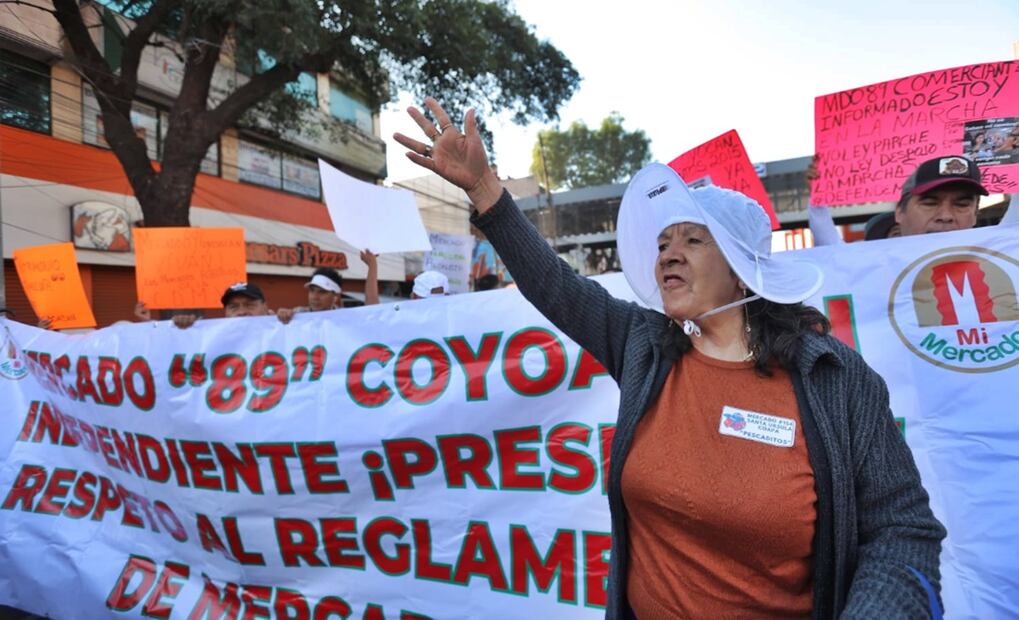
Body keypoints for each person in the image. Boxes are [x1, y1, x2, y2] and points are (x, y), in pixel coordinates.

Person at [394, 98, 945, 618]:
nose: (669, 254)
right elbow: (556, 285)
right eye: (662, 244)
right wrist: (486, 189)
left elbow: (903, 533)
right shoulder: (644, 345)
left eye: (694, 241)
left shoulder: (837, 379)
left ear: (740, 267)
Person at [808, 154, 988, 244]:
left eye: (962, 204)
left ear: (975, 215)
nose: (946, 215)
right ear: (899, 213)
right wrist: (818, 196)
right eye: (930, 203)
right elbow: (834, 253)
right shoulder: (870, 272)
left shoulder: (1005, 260)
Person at [284, 249, 381, 315]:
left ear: (335, 297)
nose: (315, 297)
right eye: (312, 290)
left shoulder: (343, 316)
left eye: (322, 292)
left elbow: (371, 313)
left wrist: (372, 265)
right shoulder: (298, 314)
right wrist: (282, 315)